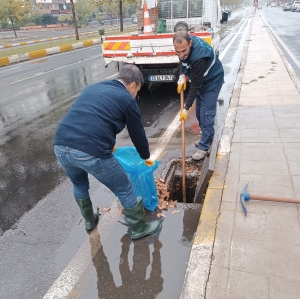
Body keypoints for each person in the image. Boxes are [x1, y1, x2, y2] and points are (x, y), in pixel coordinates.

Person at [53, 64, 161, 239]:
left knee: (79, 185)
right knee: (125, 188)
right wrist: (146, 157)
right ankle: (140, 228)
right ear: (133, 85)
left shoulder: (94, 87)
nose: (136, 94)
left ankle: (89, 221)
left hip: (60, 146)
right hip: (91, 151)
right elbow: (137, 134)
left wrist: (109, 144)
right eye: (138, 90)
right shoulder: (127, 99)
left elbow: (90, 116)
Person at [174, 31, 224, 161]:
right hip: (202, 80)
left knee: (207, 114)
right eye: (177, 52)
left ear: (190, 43)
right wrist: (181, 76)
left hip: (212, 81)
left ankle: (204, 147)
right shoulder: (183, 47)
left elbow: (195, 86)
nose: (181, 55)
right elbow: (182, 62)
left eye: (183, 51)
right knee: (199, 113)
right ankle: (207, 137)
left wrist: (185, 108)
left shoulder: (199, 57)